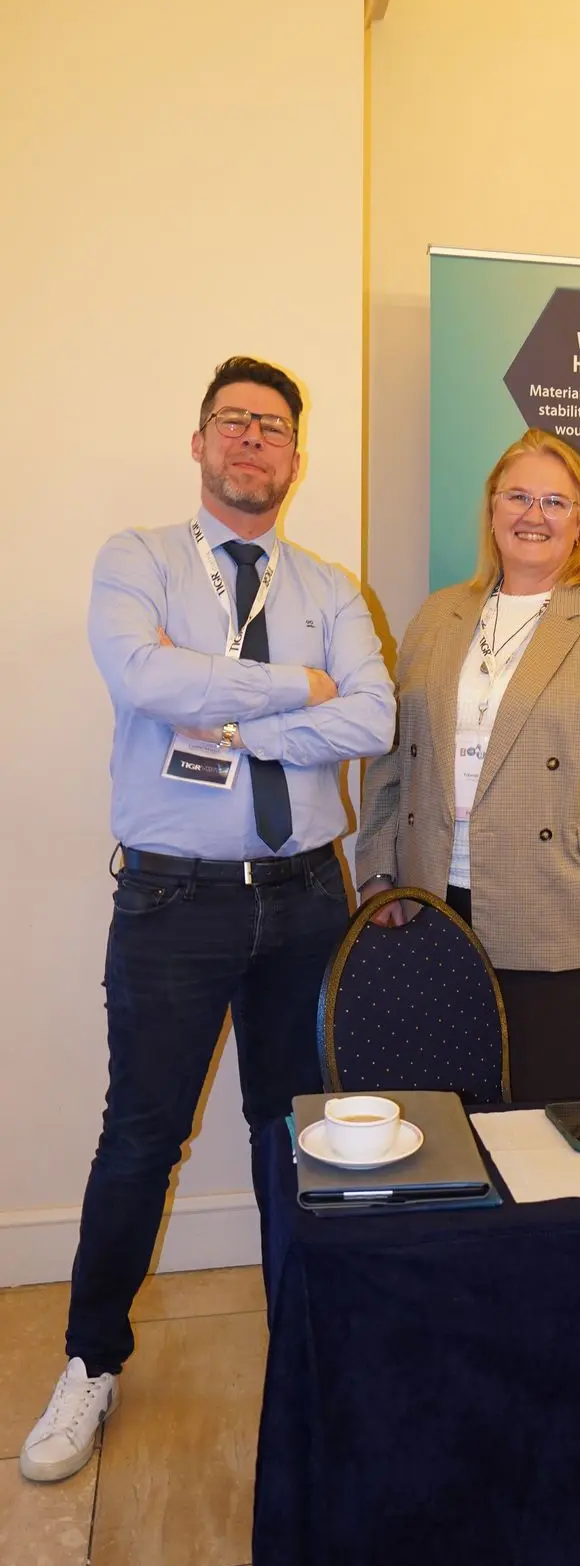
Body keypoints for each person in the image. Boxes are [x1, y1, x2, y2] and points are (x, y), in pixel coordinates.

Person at [20, 357, 395, 1485]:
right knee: (143, 1135)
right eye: (233, 421)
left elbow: (373, 718)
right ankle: (91, 1360)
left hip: (305, 898)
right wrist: (298, 690)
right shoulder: (136, 559)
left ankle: (306, 1342)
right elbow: (146, 680)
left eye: (272, 427)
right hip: (173, 899)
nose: (251, 441)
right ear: (199, 443)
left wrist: (243, 719)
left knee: (298, 1131)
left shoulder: (329, 587)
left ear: (296, 457)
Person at [356, 428, 580, 1102]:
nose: (534, 515)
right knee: (445, 1106)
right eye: (518, 497)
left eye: (555, 502)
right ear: (492, 508)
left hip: (560, 903)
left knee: (551, 1112)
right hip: (433, 896)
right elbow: (396, 755)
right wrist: (378, 873)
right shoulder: (438, 614)